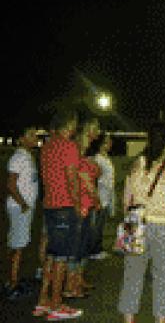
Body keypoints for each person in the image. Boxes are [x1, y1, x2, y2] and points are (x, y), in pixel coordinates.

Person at [118, 121, 165, 323]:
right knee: (162, 281)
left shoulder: (134, 164)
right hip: (163, 225)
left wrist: (130, 224)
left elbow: (126, 201)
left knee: (131, 278)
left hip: (134, 222)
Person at [34, 111, 83, 320]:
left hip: (49, 206)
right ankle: (56, 305)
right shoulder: (69, 146)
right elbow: (72, 179)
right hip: (64, 207)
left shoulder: (46, 147)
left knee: (51, 257)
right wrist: (79, 205)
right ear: (69, 124)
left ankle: (42, 301)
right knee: (61, 258)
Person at [64, 120, 102, 298]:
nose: (99, 132)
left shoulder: (84, 156)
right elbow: (85, 181)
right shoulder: (77, 155)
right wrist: (96, 198)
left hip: (86, 205)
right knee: (76, 248)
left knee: (83, 246)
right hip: (81, 206)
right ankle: (71, 286)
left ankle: (78, 280)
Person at [5, 127, 39, 300]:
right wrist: (23, 204)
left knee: (21, 245)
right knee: (17, 246)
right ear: (21, 139)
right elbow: (11, 184)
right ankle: (12, 285)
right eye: (31, 135)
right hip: (19, 208)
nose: (36, 138)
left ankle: (15, 280)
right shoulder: (18, 157)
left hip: (24, 207)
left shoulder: (27, 156)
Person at [88, 133, 115, 260]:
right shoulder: (97, 159)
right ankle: (94, 251)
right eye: (107, 142)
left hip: (106, 197)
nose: (110, 144)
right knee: (96, 226)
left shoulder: (106, 158)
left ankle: (98, 248)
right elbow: (94, 178)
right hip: (99, 197)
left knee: (101, 225)